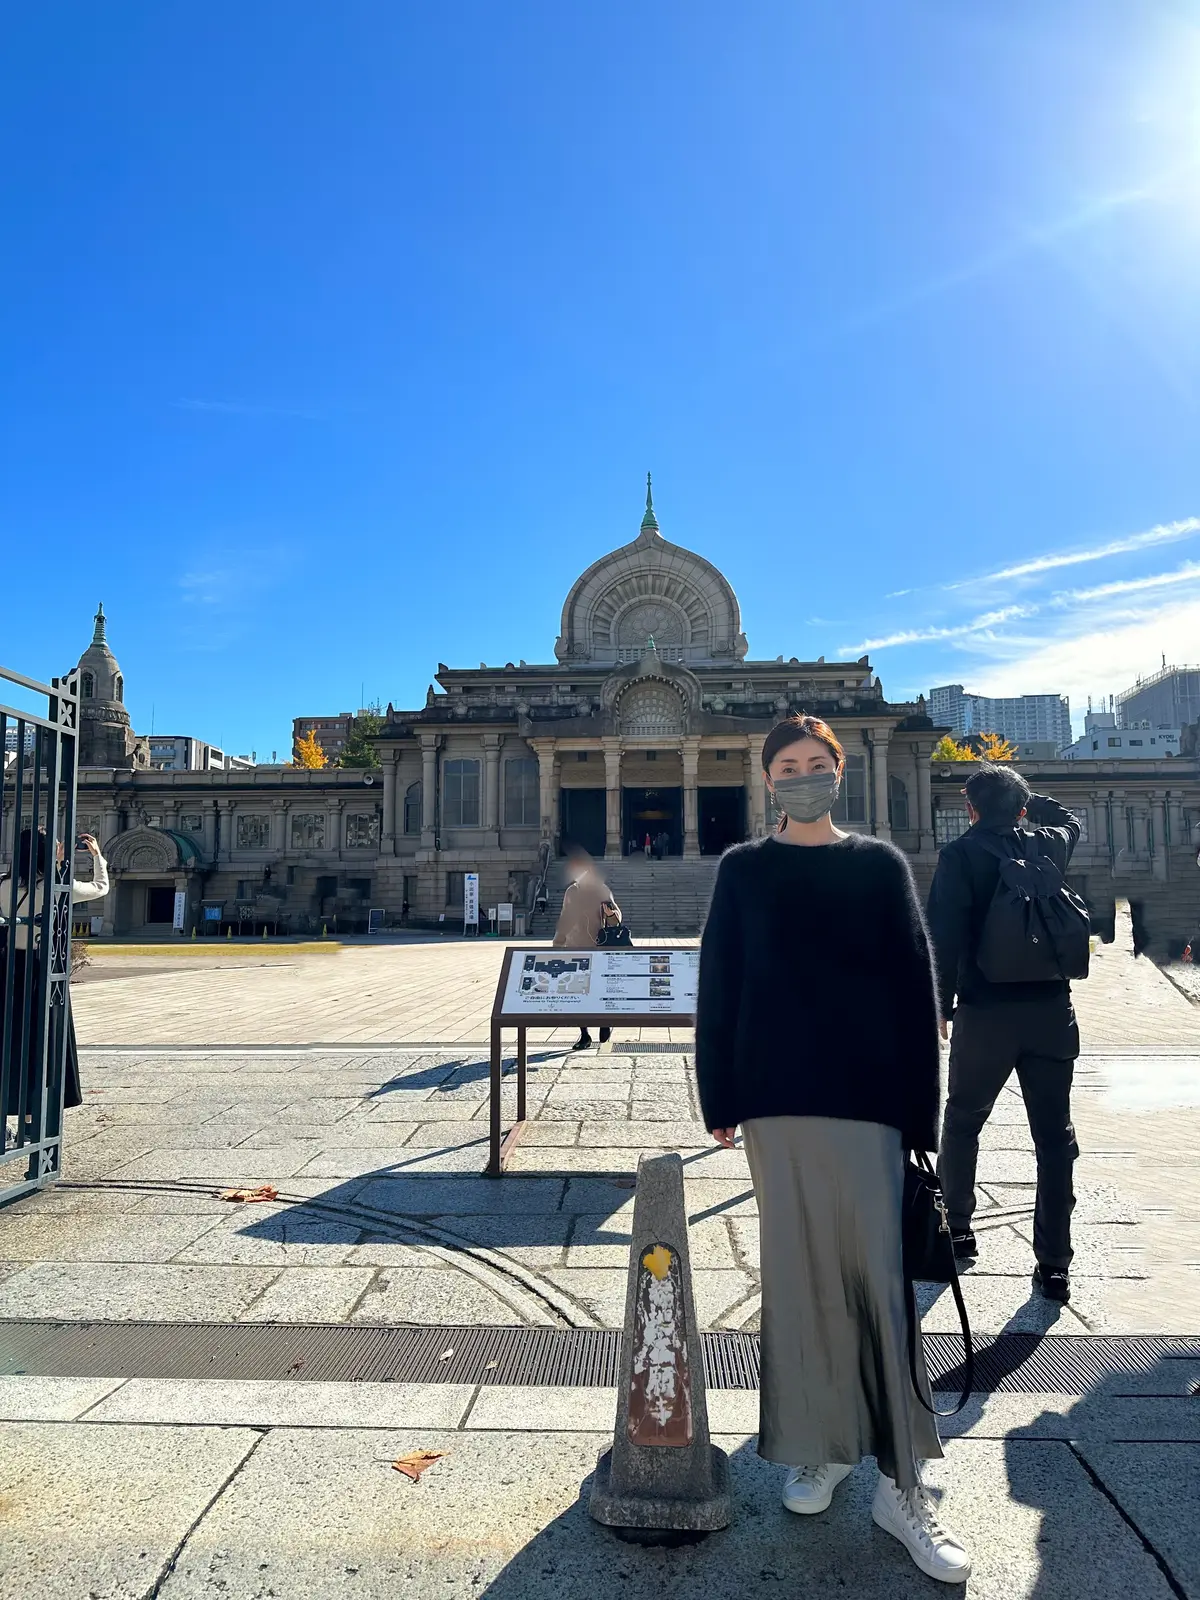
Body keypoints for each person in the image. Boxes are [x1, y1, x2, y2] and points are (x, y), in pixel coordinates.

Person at [696, 715, 970, 1584]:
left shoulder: (878, 866)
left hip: (865, 1103)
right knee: (801, 1281)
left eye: (818, 764)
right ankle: (824, 1446)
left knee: (879, 1287)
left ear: (838, 773)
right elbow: (721, 982)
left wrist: (919, 1117)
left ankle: (904, 1483)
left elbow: (912, 987)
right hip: (776, 1102)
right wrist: (721, 1096)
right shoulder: (743, 871)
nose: (804, 775)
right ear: (767, 779)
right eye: (788, 766)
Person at [926, 764, 1081, 1304]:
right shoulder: (1050, 846)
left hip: (985, 1011)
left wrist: (938, 1006)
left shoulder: (960, 856)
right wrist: (1024, 801)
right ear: (1020, 807)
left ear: (969, 809)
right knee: (1054, 1139)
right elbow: (1068, 818)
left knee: (964, 1121)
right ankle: (1055, 1264)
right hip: (1051, 1011)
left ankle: (958, 1233)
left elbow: (941, 938)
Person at [2, 829, 108, 1132]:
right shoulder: (55, 885)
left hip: (8, 968)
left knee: (8, 1041)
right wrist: (96, 856)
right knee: (41, 1041)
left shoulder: (4, 884)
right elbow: (100, 887)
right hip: (41, 971)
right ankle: (33, 1119)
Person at [552, 847, 617, 1051]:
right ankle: (584, 1034)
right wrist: (558, 943)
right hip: (575, 947)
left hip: (597, 947)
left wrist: (610, 913)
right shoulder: (572, 891)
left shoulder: (602, 890)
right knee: (578, 994)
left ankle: (605, 1023)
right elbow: (566, 917)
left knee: (598, 991)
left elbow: (616, 915)